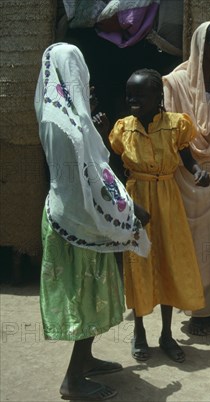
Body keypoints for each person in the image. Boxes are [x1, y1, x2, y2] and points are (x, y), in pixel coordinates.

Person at [36, 43, 151, 400]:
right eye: (82, 74)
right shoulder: (71, 124)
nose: (88, 82)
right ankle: (73, 379)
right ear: (73, 74)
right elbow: (92, 177)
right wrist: (130, 209)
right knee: (86, 296)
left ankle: (86, 359)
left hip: (68, 214)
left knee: (94, 290)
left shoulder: (56, 112)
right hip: (78, 220)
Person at [109, 69, 208, 363]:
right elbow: (112, 170)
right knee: (138, 263)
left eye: (140, 95)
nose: (132, 99)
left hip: (167, 199)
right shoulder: (122, 129)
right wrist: (125, 204)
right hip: (136, 200)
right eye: (129, 94)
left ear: (158, 97)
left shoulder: (176, 126)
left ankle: (167, 334)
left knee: (168, 262)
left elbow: (189, 160)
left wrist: (199, 172)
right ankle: (139, 331)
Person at [162, 21, 210, 335]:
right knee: (192, 247)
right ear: (201, 46)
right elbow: (171, 133)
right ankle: (194, 308)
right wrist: (192, 166)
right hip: (187, 178)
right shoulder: (175, 83)